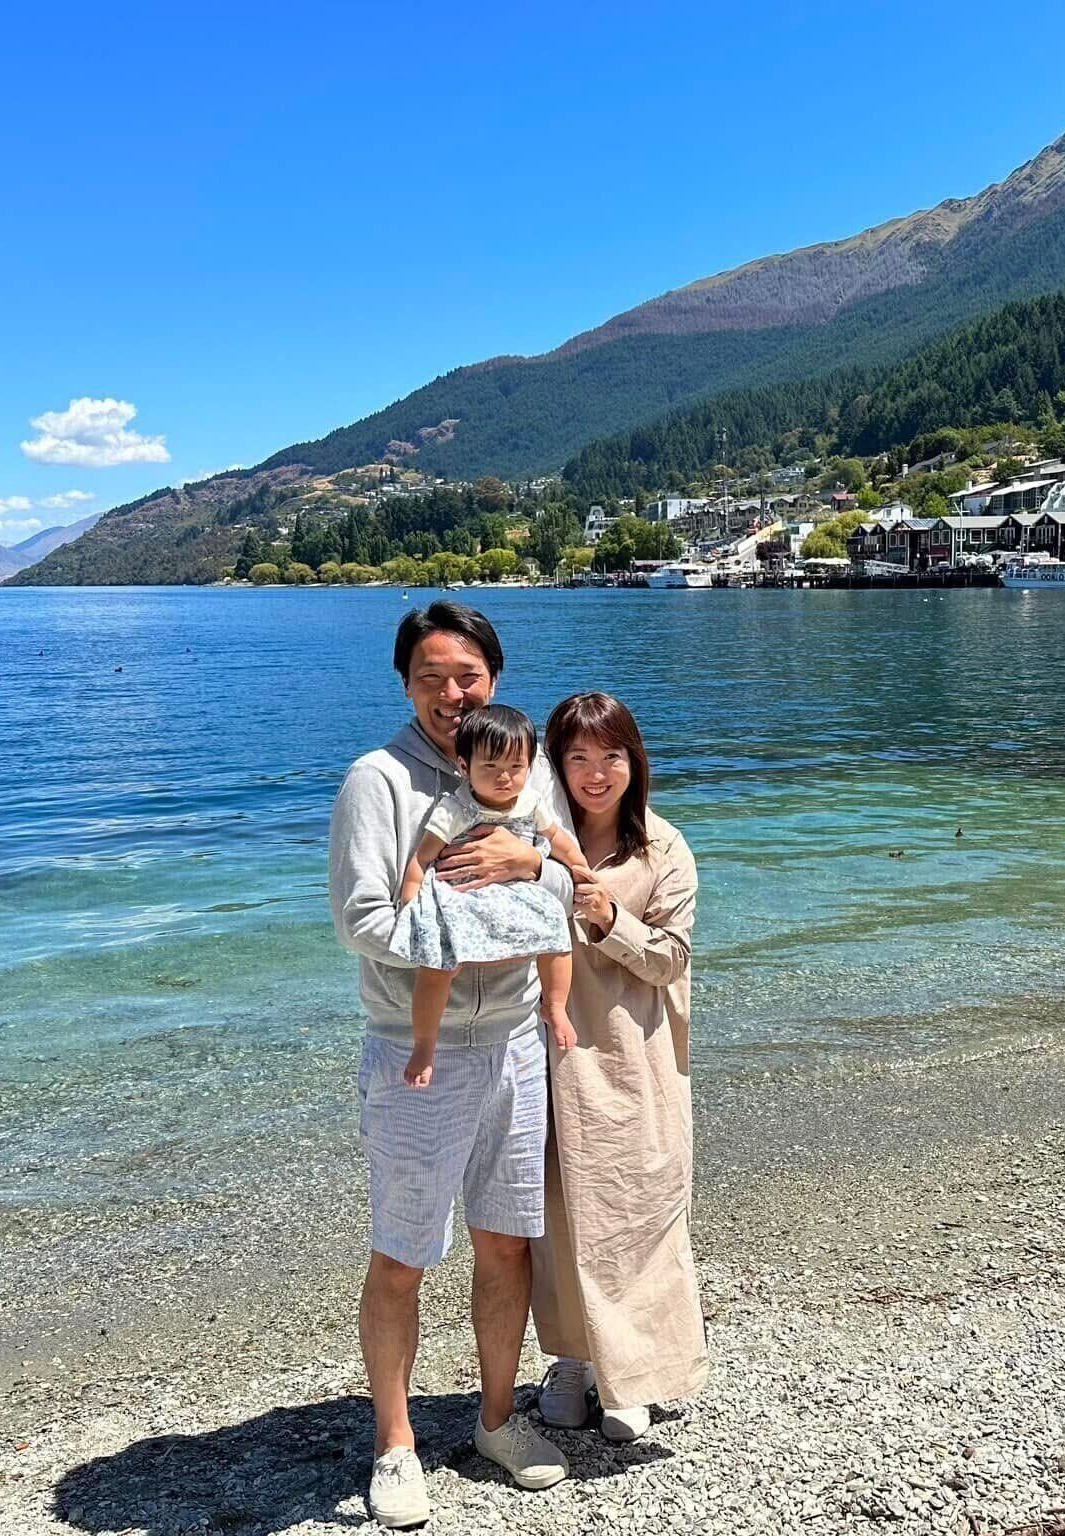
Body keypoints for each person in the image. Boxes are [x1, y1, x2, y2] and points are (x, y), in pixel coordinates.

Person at [327, 603, 577, 1528]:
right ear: (405, 685)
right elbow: (362, 919)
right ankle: (395, 1445)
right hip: (414, 1048)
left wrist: (529, 871)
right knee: (402, 1255)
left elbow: (565, 882)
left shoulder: (526, 766)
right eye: (431, 677)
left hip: (514, 1041)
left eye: (467, 675)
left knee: (507, 1242)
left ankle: (498, 1420)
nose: (451, 694)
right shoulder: (378, 780)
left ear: (494, 679)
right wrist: (467, 936)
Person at [530, 692, 707, 1444]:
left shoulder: (662, 849)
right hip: (549, 1054)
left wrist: (610, 922)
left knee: (638, 1208)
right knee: (558, 1213)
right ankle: (571, 1360)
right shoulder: (534, 839)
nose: (595, 773)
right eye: (577, 758)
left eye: (611, 756)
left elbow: (672, 960)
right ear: (555, 766)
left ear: (635, 762)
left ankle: (634, 1371)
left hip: (636, 1058)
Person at [391, 703, 586, 1087]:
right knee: (438, 962)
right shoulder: (457, 807)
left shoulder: (530, 801)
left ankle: (555, 1006)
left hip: (518, 890)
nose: (504, 777)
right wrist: (410, 900)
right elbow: (422, 857)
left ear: (529, 765)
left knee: (556, 930)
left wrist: (581, 868)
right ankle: (425, 1044)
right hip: (464, 893)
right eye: (490, 767)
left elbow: (560, 841)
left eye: (516, 767)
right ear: (464, 767)